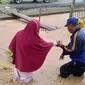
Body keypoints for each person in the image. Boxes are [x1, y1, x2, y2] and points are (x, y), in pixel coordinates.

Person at [8, 19, 59, 84]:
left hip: (18, 64)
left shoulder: (18, 33)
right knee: (26, 82)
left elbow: (12, 46)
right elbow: (44, 46)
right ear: (36, 28)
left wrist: (13, 55)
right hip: (26, 68)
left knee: (16, 80)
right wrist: (55, 43)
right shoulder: (34, 39)